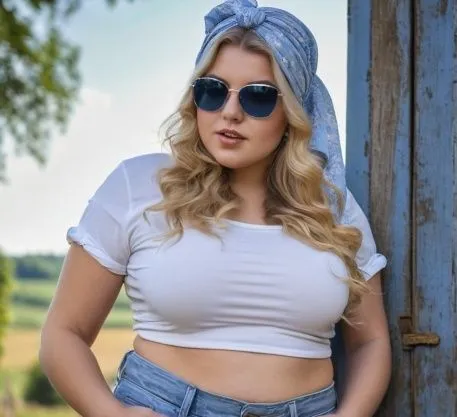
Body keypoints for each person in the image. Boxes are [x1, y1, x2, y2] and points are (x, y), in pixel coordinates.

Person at [39, 1, 391, 416]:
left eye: (258, 97)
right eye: (212, 90)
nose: (230, 112)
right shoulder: (139, 187)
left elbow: (371, 342)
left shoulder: (332, 208)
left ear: (293, 112)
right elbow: (64, 334)